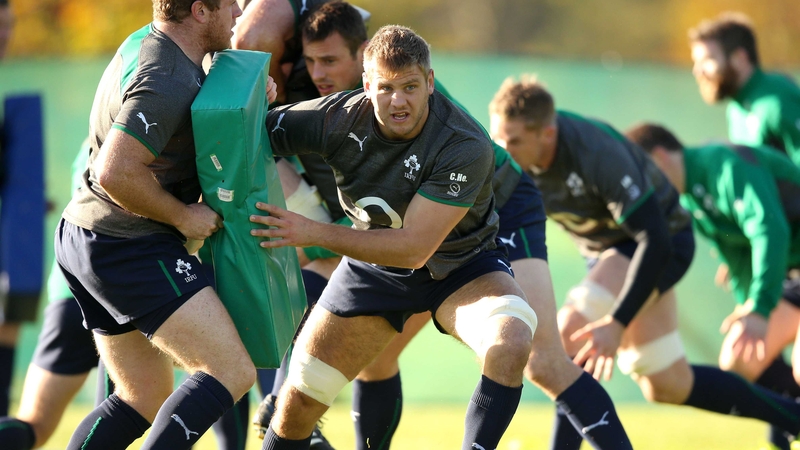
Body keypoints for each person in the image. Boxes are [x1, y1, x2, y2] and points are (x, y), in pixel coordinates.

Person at [246, 5, 636, 450]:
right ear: (368, 85)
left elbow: (413, 246)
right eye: (309, 61)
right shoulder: (331, 114)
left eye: (411, 87)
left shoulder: (463, 141)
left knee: (527, 351)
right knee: (313, 392)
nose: (399, 100)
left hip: (476, 237)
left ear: (429, 82)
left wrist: (311, 233)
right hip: (380, 261)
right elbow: (243, 129)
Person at [488, 75, 800, 449]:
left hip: (659, 245)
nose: (503, 148)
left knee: (566, 336)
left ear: (548, 134)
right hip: (612, 255)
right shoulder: (511, 164)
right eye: (499, 138)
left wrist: (617, 322)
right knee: (667, 382)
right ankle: (794, 416)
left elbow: (653, 237)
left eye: (514, 140)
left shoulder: (594, 152)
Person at [52, 0, 275, 448]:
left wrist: (249, 87)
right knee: (230, 371)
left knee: (143, 396)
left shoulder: (150, 42)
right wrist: (184, 216)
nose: (237, 10)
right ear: (198, 11)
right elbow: (114, 172)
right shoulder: (166, 77)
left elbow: (199, 68)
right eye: (229, 2)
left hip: (84, 233)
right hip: (126, 243)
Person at [627, 123, 800, 450]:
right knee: (740, 358)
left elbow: (771, 229)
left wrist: (761, 309)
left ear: (660, 157)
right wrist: (748, 305)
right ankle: (789, 428)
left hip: (791, 273)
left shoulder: (723, 163)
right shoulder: (692, 201)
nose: (642, 190)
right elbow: (737, 256)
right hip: (793, 277)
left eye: (642, 175)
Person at [690, 12, 800, 168]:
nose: (697, 71)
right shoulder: (736, 107)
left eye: (708, 59)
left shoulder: (778, 102)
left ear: (739, 58)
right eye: (696, 62)